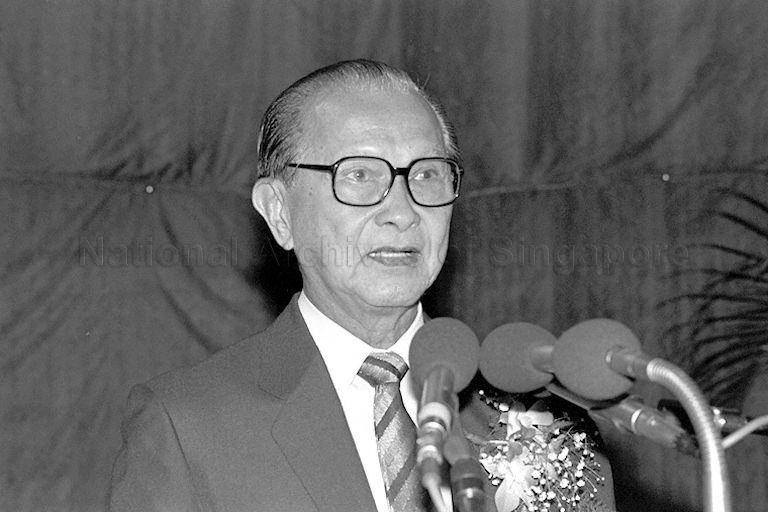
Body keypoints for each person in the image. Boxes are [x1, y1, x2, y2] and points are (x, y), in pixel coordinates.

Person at [108, 59, 614, 512]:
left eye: (427, 175)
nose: (402, 212)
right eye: (359, 176)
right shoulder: (188, 425)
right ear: (280, 213)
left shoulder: (543, 420)